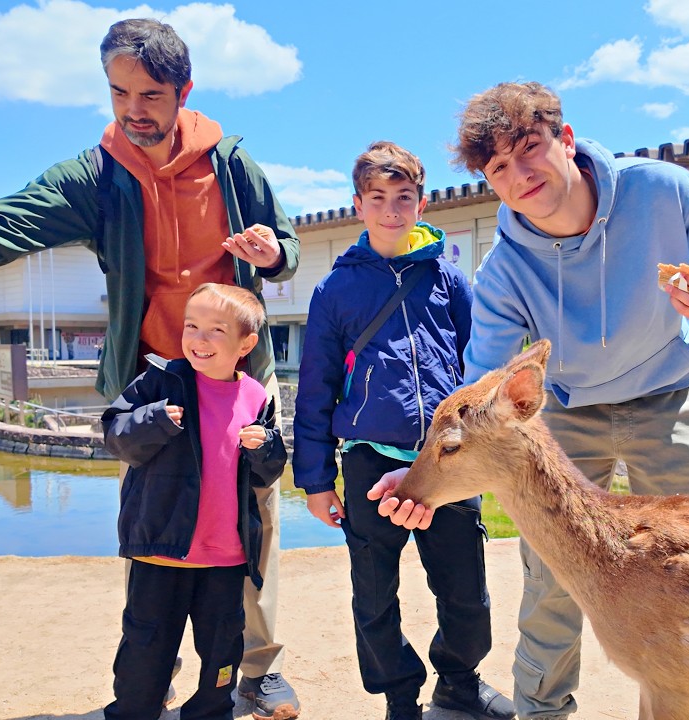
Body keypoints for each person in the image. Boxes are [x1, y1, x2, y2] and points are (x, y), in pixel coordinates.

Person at [0, 19, 302, 717]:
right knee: (154, 518)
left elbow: (289, 243)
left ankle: (258, 665)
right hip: (154, 373)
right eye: (119, 92)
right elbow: (5, 221)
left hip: (240, 372)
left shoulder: (232, 163)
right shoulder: (95, 175)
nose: (133, 109)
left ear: (184, 91)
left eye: (151, 94)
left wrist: (273, 254)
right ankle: (150, 669)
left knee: (251, 514)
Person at [367, 82, 689, 720]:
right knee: (554, 580)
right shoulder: (503, 270)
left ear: (566, 141)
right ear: (490, 183)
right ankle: (542, 712)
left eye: (529, 149)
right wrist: (425, 470)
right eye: (499, 168)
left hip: (667, 393)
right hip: (568, 415)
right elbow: (482, 385)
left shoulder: (664, 190)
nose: (520, 174)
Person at [292, 141, 516, 720]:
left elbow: (480, 368)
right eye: (378, 199)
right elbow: (315, 391)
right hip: (368, 459)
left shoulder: (447, 277)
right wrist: (316, 480)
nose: (392, 210)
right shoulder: (334, 290)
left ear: (421, 203)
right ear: (358, 205)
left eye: (404, 198)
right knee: (374, 591)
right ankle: (398, 695)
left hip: (447, 461)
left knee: (466, 587)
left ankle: (459, 682)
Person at [102, 283, 286, 720]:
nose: (199, 340)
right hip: (160, 550)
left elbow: (269, 471)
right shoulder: (160, 382)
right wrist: (153, 420)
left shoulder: (256, 397)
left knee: (223, 646)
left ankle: (210, 710)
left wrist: (266, 448)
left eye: (215, 330)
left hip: (225, 558)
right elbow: (114, 432)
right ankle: (133, 710)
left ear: (246, 343)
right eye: (192, 326)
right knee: (146, 646)